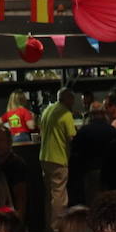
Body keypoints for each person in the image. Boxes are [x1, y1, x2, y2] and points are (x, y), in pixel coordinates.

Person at [40, 88, 78, 223]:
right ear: (68, 99)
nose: (73, 103)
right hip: (59, 159)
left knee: (49, 195)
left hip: (44, 157)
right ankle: (57, 230)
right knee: (59, 197)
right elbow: (72, 137)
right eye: (72, 100)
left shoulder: (47, 110)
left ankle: (48, 227)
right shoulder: (66, 113)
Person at [68, 104, 116, 207]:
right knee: (108, 202)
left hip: (90, 171)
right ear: (103, 114)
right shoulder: (112, 130)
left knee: (93, 203)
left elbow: (75, 149)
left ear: (91, 115)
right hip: (110, 171)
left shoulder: (84, 131)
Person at [0, 126, 30, 221]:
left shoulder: (17, 165)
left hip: (9, 219)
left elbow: (20, 197)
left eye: (0, 140)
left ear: (9, 142)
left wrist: (18, 221)